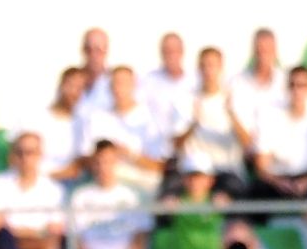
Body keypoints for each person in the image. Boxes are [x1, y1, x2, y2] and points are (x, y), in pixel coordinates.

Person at [55, 141, 155, 249]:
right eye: (98, 162)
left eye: (107, 162)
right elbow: (76, 241)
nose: (102, 167)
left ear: (116, 163)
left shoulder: (133, 196)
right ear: (92, 164)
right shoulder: (80, 196)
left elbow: (139, 242)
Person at [79, 65, 170, 195]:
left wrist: (131, 155)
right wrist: (106, 156)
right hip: (105, 189)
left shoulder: (152, 118)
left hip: (142, 189)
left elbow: (159, 167)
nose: (119, 87)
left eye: (123, 83)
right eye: (115, 83)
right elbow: (85, 158)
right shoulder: (97, 118)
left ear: (134, 85)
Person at [249, 65, 307, 200]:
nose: (296, 91)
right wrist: (279, 182)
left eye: (302, 86)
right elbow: (261, 166)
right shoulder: (270, 114)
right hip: (276, 178)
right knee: (256, 191)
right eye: (292, 85)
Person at [173, 48, 245, 195]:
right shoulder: (186, 99)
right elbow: (176, 144)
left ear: (221, 68)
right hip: (193, 173)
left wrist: (231, 114)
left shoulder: (235, 98)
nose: (207, 71)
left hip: (225, 171)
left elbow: (247, 142)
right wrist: (193, 124)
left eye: (212, 65)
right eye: (203, 66)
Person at [158, 159, 228, 249]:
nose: (194, 182)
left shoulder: (219, 202)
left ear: (210, 180)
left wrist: (226, 206)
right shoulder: (174, 202)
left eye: (199, 177)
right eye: (190, 177)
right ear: (183, 179)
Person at [226, 27, 287, 158]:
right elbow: (234, 118)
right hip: (241, 157)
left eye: (267, 50)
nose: (263, 55)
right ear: (253, 51)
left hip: (277, 158)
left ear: (275, 52)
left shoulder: (286, 82)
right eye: (259, 50)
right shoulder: (236, 82)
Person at [39, 67, 90, 180]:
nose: (74, 92)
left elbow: (81, 162)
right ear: (60, 85)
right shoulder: (36, 117)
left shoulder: (83, 124)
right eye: (71, 85)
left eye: (80, 88)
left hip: (68, 184)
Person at [142, 32, 193, 142]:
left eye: (175, 51)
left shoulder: (194, 81)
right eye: (167, 51)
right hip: (157, 145)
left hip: (188, 145)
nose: (171, 55)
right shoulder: (149, 81)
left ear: (182, 52)